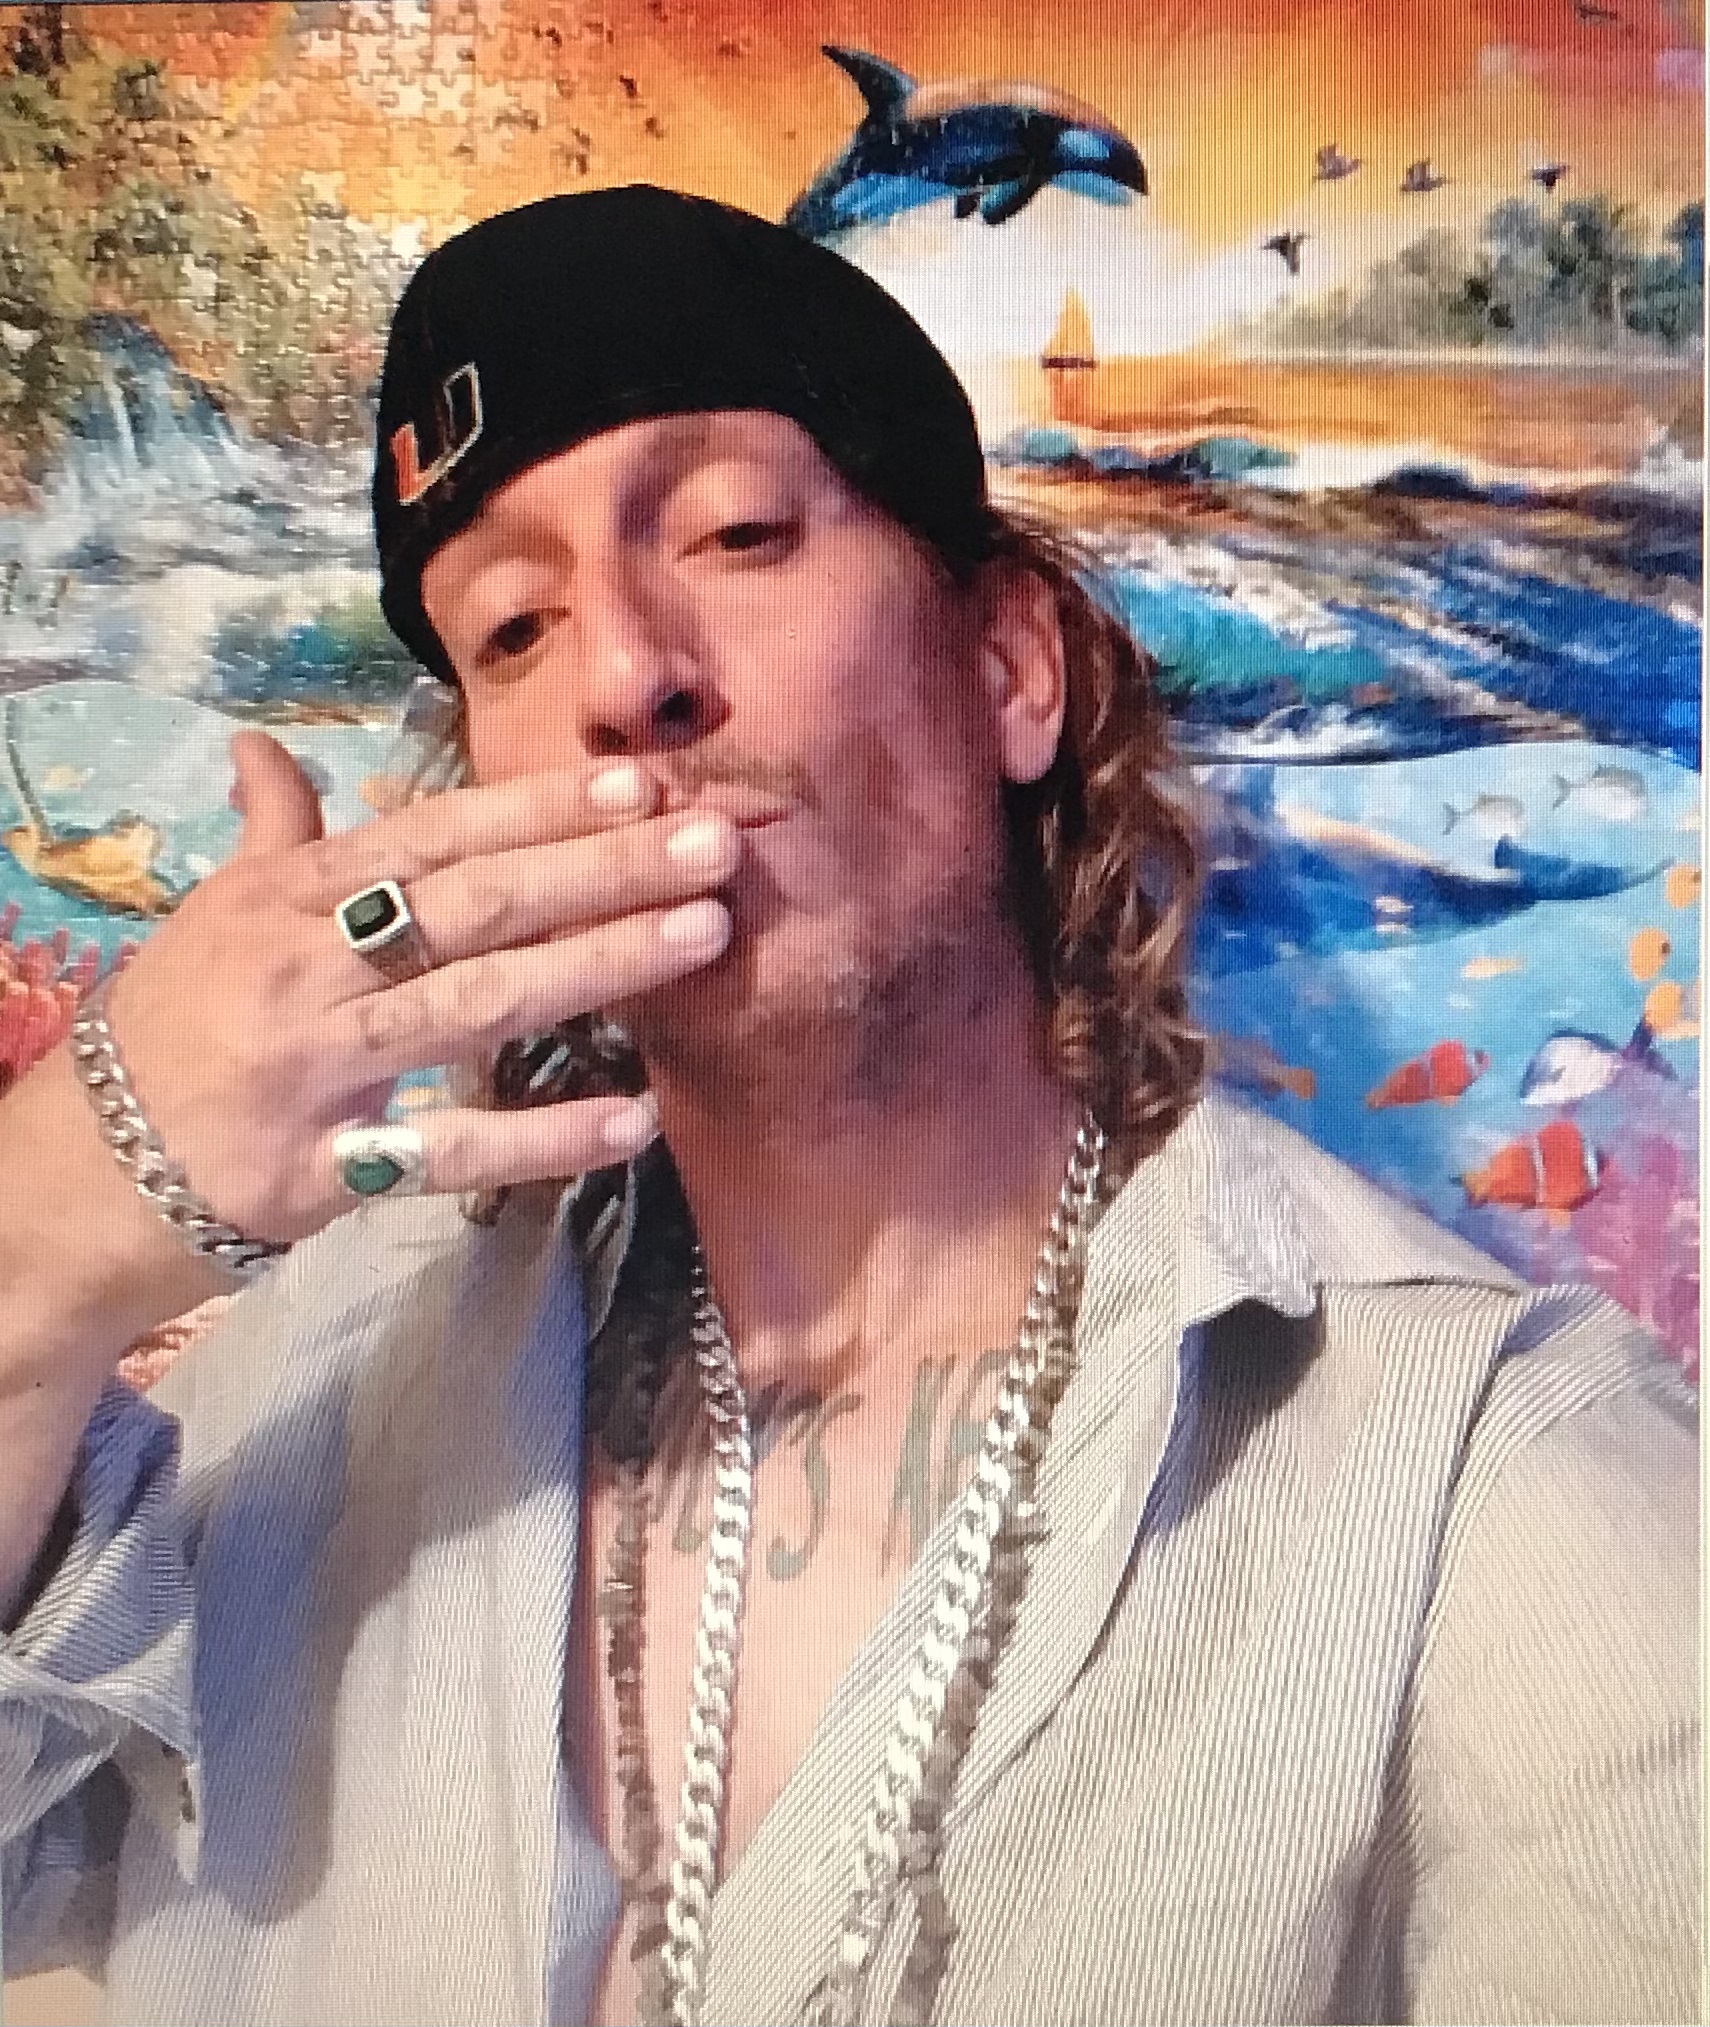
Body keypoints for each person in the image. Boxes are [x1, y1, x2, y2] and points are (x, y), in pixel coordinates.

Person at [0, 185, 1697, 2027]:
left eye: (735, 532)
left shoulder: (1484, 1479)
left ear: (1008, 669)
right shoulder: (300, 1382)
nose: (623, 676)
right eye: (511, 627)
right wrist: (40, 1250)